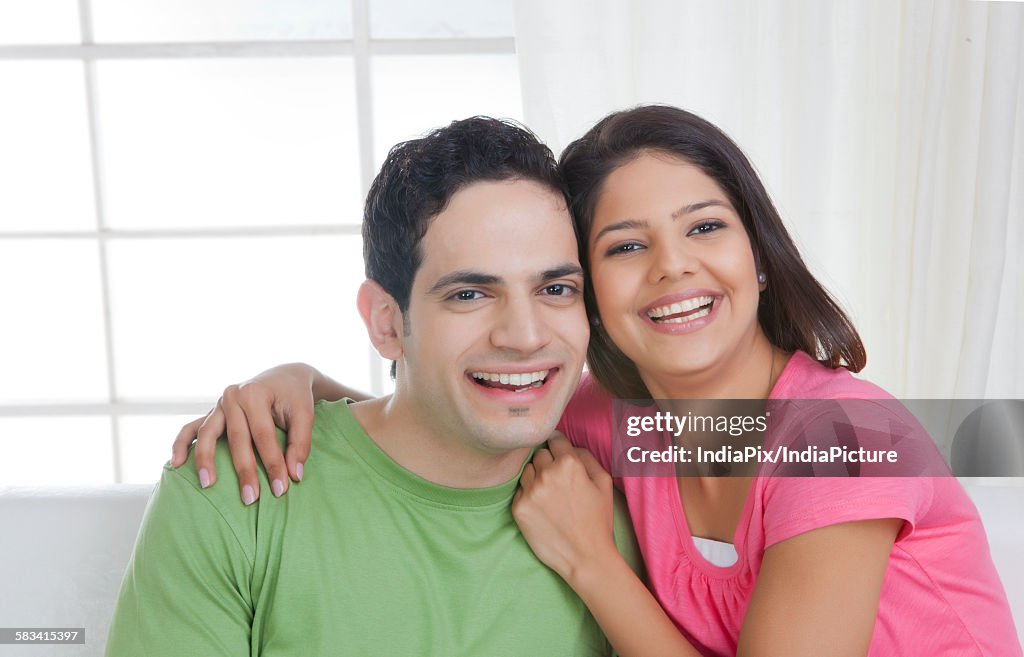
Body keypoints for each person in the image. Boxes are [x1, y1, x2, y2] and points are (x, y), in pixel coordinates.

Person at [172, 106, 1021, 656]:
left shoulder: (842, 442)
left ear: (758, 255)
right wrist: (297, 384)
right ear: (591, 293)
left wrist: (590, 560)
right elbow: (459, 412)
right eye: (623, 246)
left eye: (706, 228)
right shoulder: (621, 425)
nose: (674, 268)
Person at [107, 116, 643, 657]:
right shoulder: (235, 489)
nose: (526, 337)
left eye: (556, 288)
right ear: (386, 323)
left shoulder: (621, 485)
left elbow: (731, 432)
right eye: (469, 295)